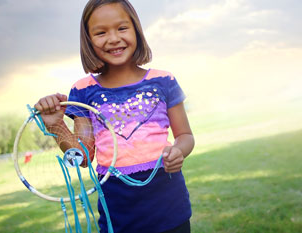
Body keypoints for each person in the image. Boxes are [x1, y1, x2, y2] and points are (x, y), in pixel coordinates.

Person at [34, 0, 195, 232]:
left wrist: (179, 151)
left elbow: (186, 135)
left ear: (136, 31)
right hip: (118, 216)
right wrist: (56, 126)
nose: (113, 39)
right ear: (88, 40)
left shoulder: (163, 81)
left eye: (122, 28)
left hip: (170, 210)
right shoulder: (83, 91)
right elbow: (83, 158)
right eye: (100, 32)